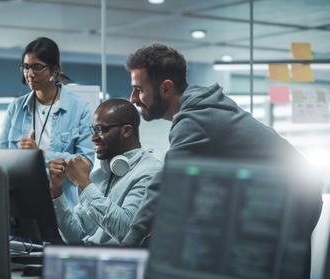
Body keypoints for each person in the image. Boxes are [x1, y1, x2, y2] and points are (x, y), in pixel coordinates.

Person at [122, 43, 322, 246]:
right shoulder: (201, 105)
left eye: (138, 90)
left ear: (166, 88)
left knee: (251, 268)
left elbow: (165, 185)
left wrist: (130, 242)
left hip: (293, 199)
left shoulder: (195, 119)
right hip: (289, 193)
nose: (133, 99)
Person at [0, 37, 94, 207]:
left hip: (62, 207)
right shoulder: (16, 108)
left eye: (37, 67)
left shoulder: (79, 108)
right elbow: (3, 159)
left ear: (55, 70)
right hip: (20, 202)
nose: (30, 74)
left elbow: (85, 165)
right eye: (26, 67)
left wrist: (40, 155)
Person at [49, 98, 161, 245]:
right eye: (93, 130)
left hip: (120, 265)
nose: (93, 138)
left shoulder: (150, 172)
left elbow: (127, 232)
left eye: (100, 130)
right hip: (90, 260)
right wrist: (56, 190)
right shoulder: (99, 175)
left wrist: (84, 184)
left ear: (126, 131)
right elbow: (75, 236)